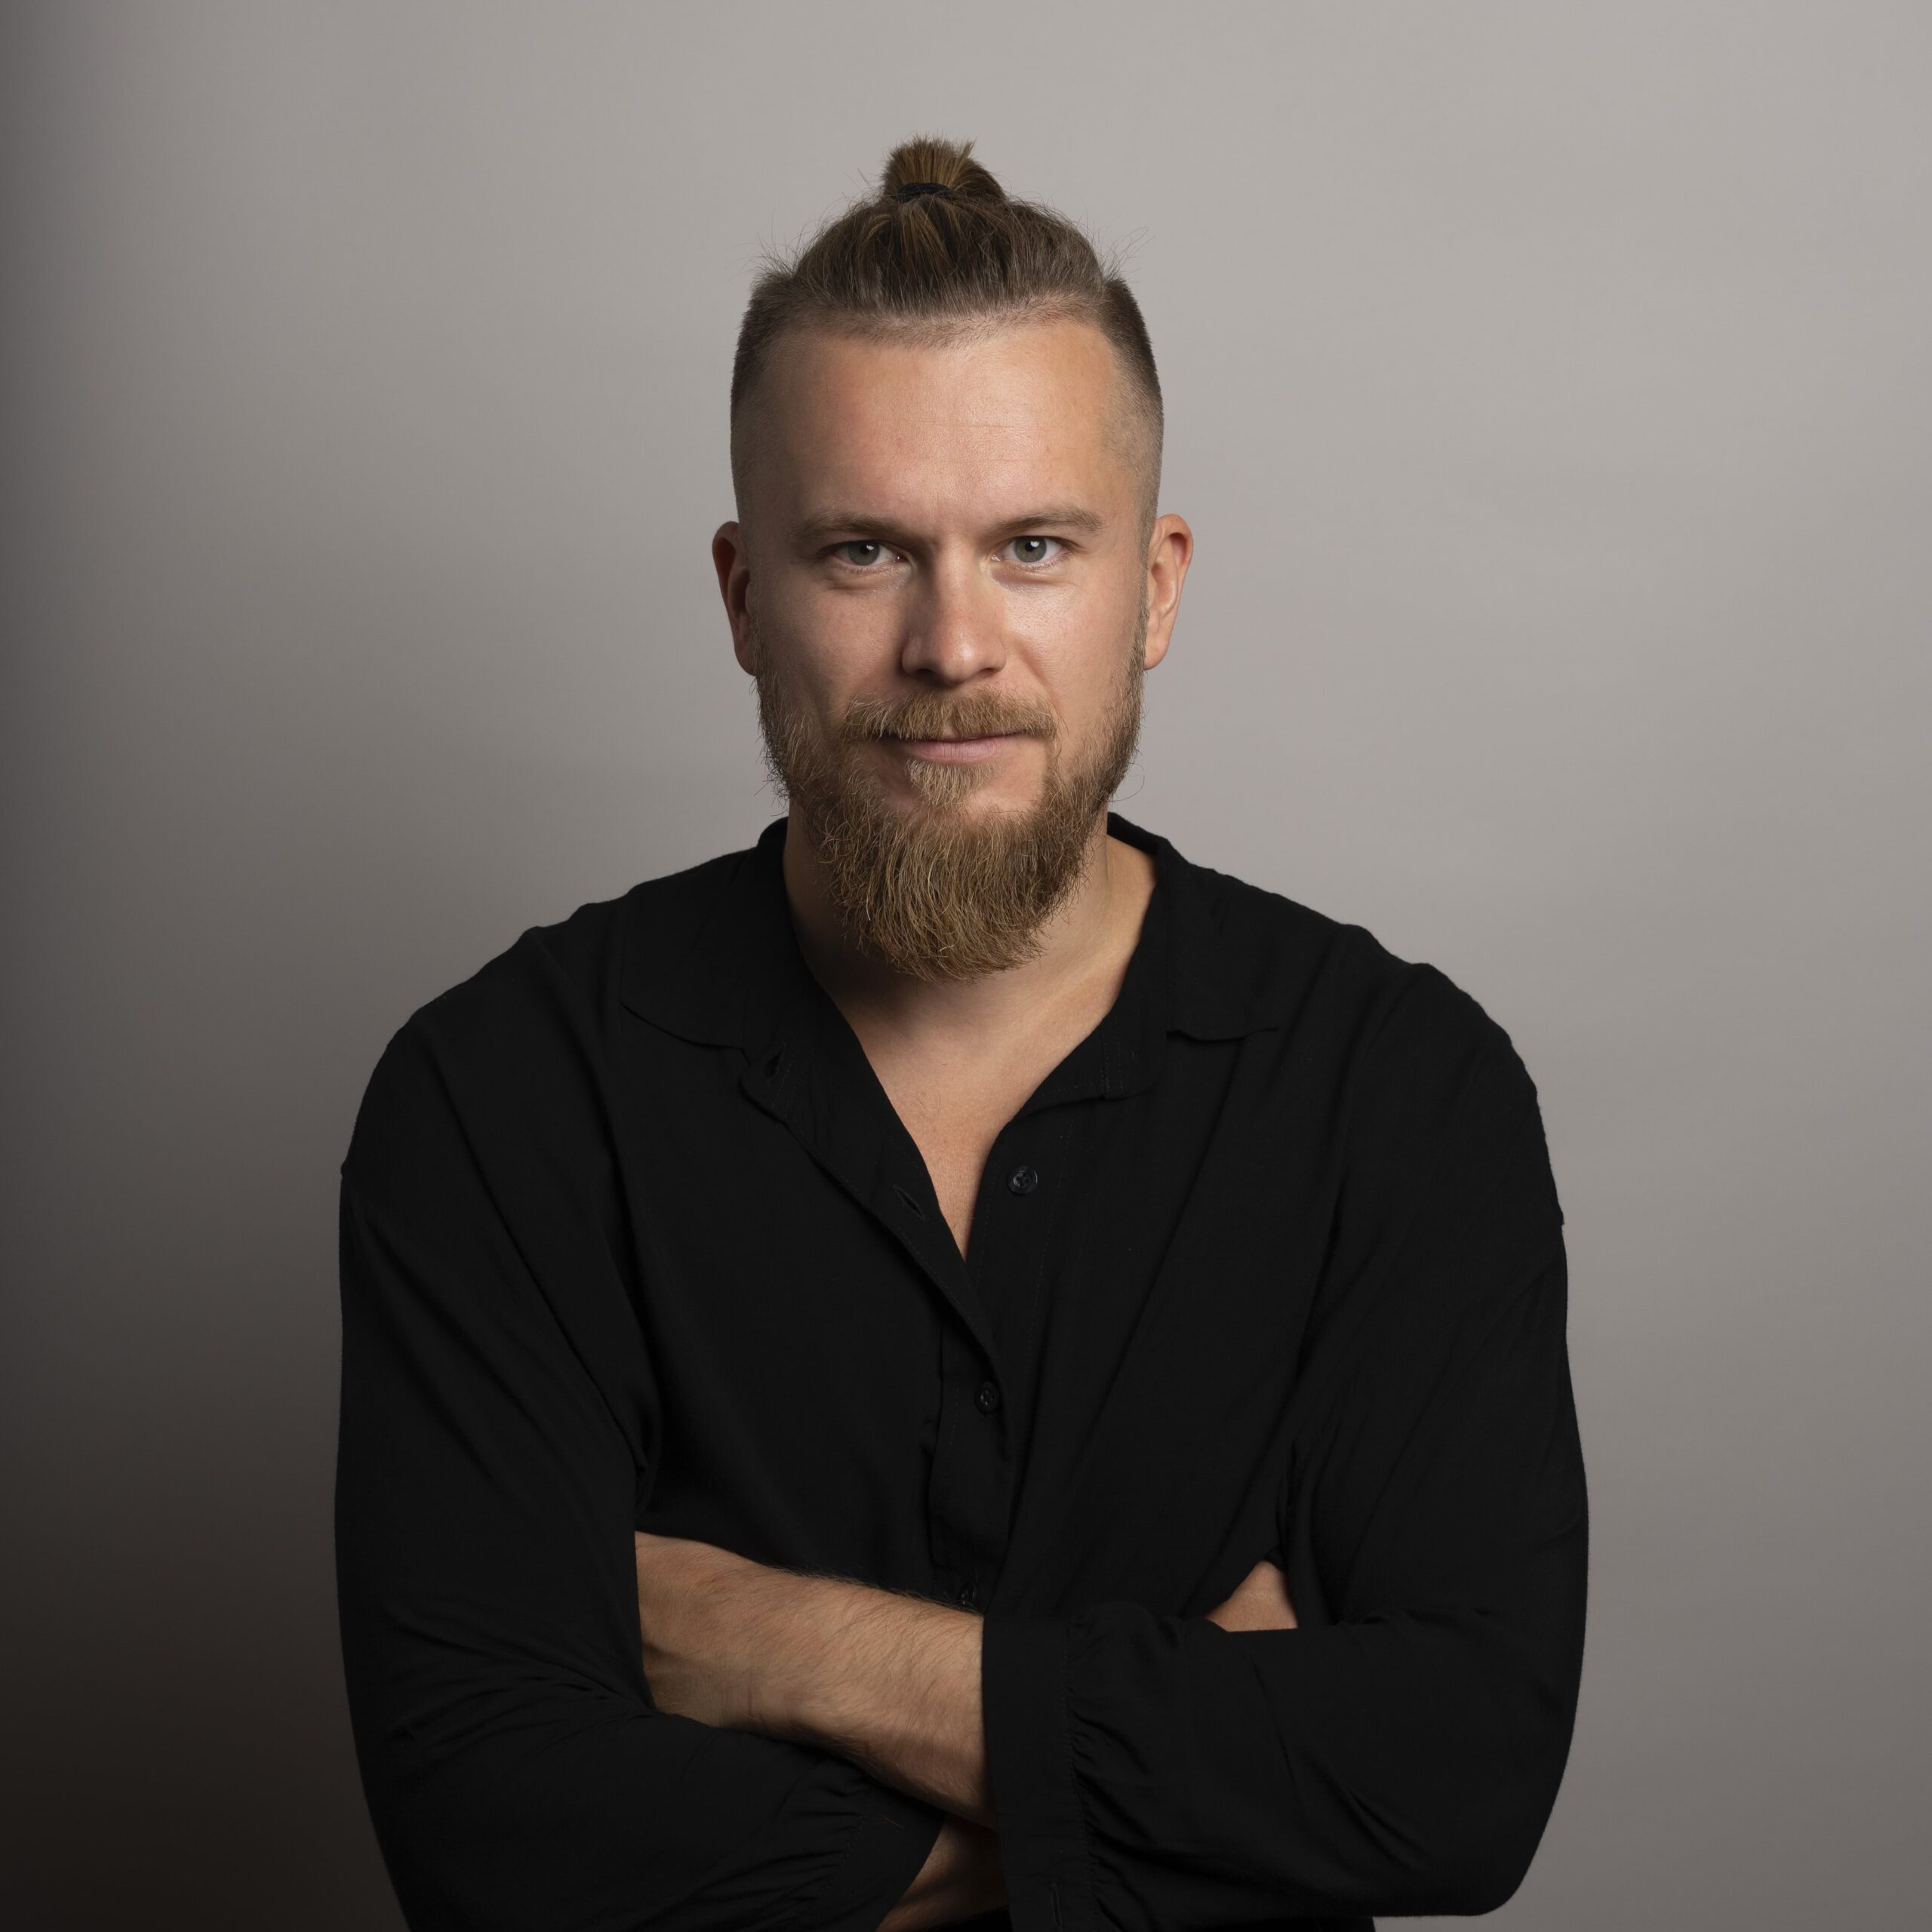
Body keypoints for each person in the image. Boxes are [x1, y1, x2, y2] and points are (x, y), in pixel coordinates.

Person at [334, 135, 1588, 1932]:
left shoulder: (1398, 1092)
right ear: (742, 595)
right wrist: (1194, 1783)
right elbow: (496, 1837)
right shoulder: (501, 1098)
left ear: (1153, 588)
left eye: (1032, 547)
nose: (951, 644)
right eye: (863, 550)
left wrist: (786, 1644)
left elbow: (1453, 1776)